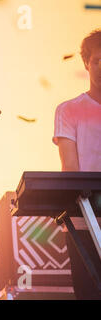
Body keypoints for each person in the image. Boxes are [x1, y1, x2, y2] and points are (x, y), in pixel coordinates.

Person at [53, 29, 101, 299]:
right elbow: (70, 170)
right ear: (86, 63)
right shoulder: (69, 109)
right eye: (97, 61)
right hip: (85, 223)